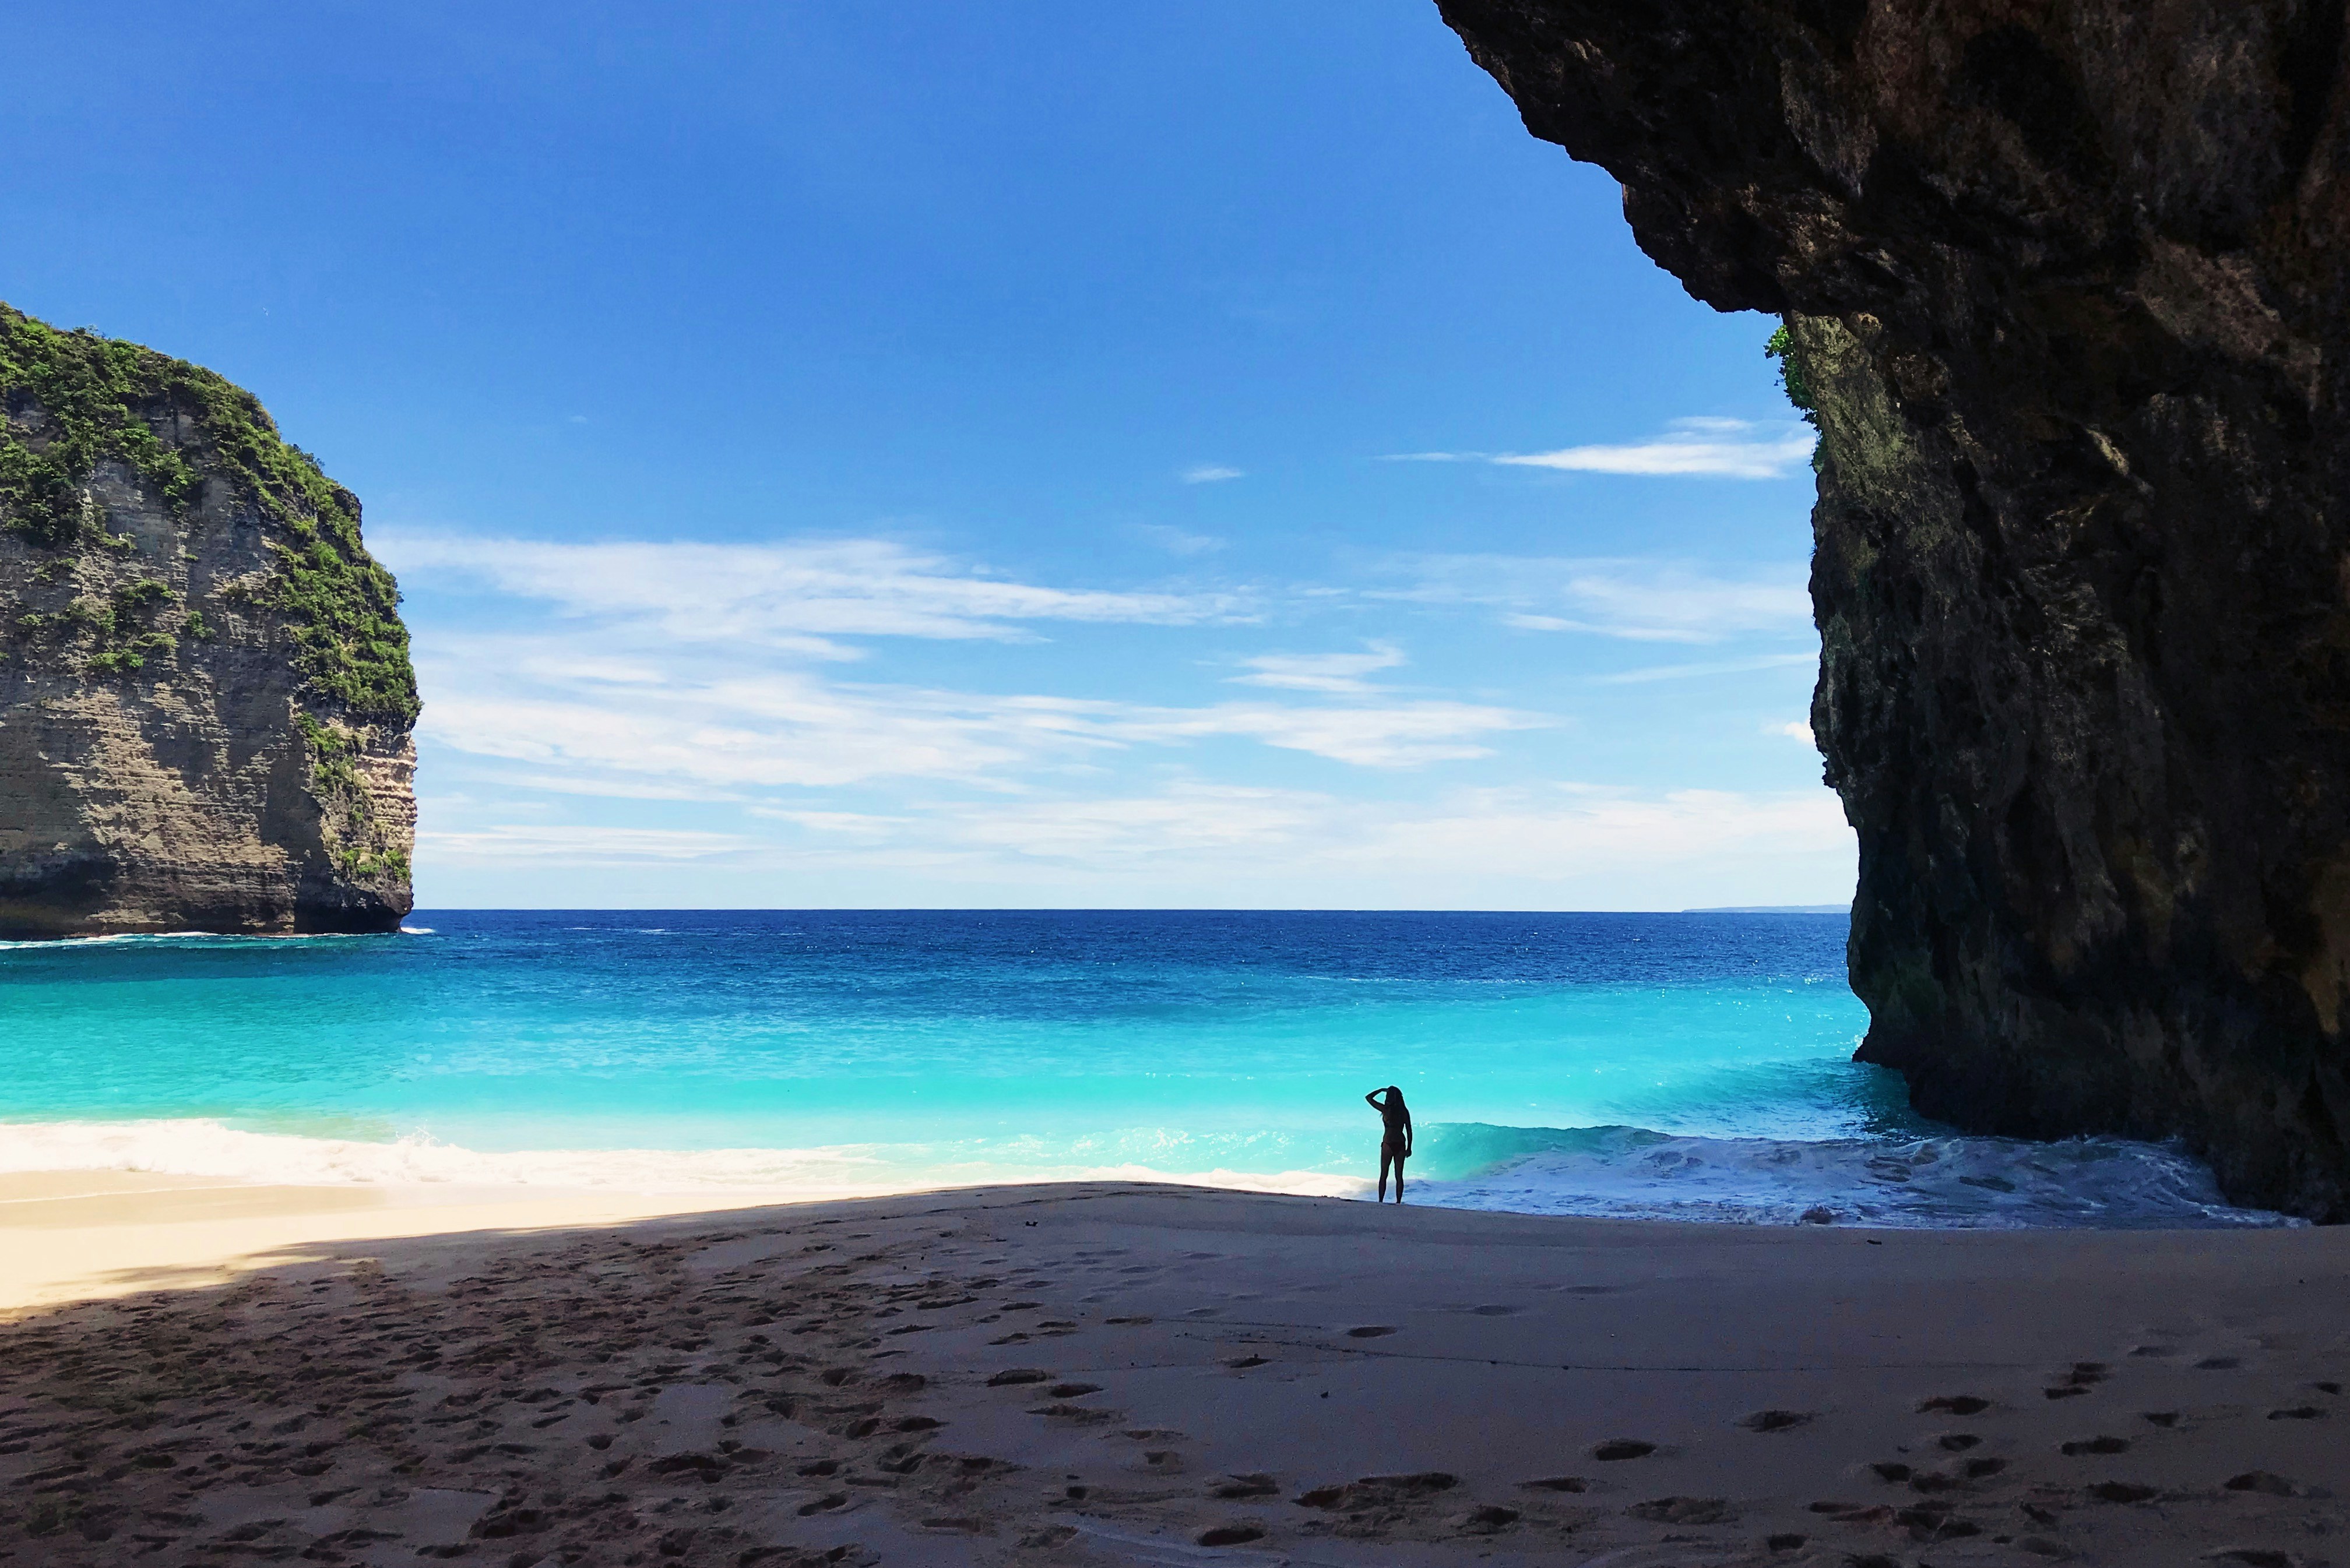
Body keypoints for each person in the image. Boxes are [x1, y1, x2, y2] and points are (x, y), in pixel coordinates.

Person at [1364, 1084, 1413, 1203]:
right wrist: (1409, 1147)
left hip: (1389, 1144)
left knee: (1385, 1174)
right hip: (1400, 1144)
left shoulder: (1386, 1110)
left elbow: (1369, 1098)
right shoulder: (1403, 1111)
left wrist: (1381, 1090)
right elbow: (1409, 1131)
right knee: (1398, 1175)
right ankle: (1398, 1202)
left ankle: (1381, 1201)